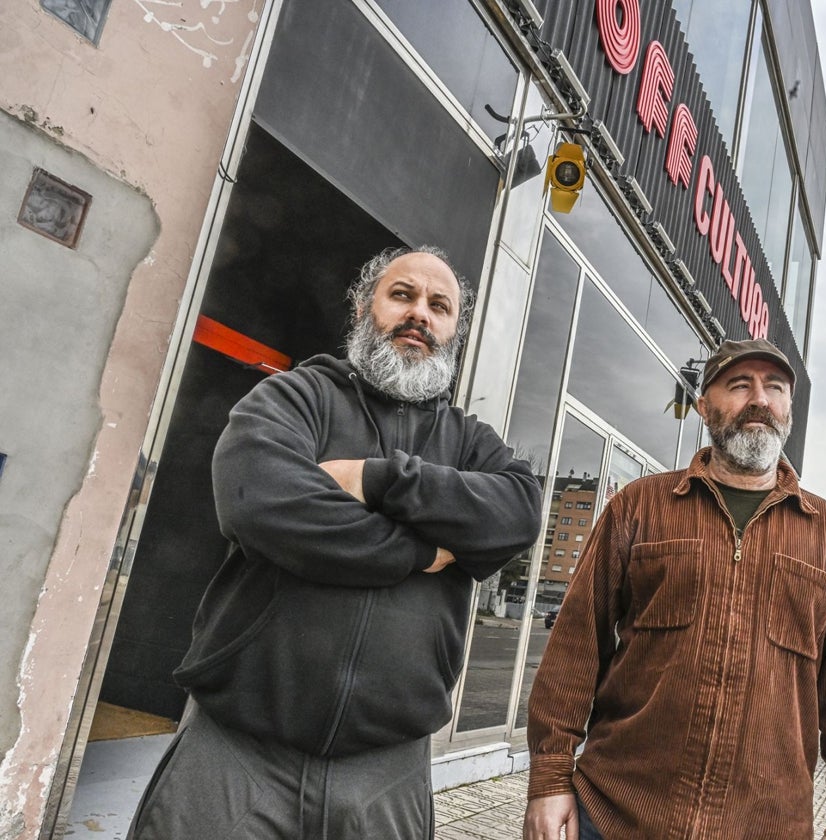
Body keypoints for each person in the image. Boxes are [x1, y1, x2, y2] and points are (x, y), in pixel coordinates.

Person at [127, 246, 543, 839]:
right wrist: (423, 551)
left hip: (387, 772)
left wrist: (377, 479)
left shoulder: (473, 443)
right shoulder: (295, 399)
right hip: (238, 751)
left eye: (439, 305)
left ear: (454, 330)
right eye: (402, 295)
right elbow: (261, 502)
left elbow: (520, 513)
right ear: (363, 306)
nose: (419, 314)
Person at [523, 338, 826, 840]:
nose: (759, 400)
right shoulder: (639, 507)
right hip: (614, 817)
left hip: (766, 828)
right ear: (704, 407)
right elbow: (576, 645)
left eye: (775, 388)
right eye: (739, 385)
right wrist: (549, 779)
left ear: (789, 409)